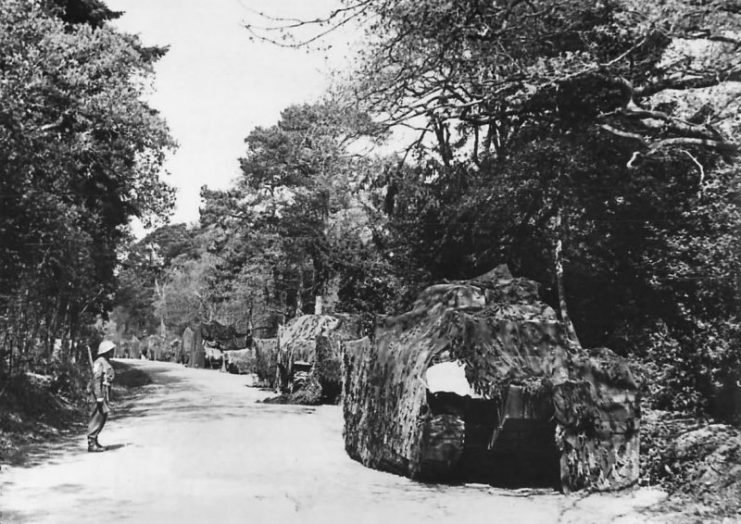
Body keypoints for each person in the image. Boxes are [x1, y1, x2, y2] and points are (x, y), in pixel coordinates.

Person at [87, 340, 116, 452]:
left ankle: (95, 440)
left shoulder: (105, 361)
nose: (112, 351)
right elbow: (96, 380)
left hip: (104, 393)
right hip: (97, 394)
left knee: (102, 417)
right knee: (96, 417)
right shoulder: (99, 362)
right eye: (110, 350)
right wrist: (99, 396)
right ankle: (91, 443)